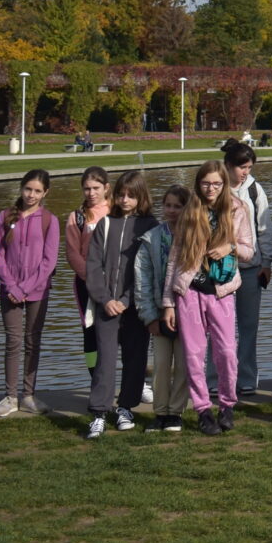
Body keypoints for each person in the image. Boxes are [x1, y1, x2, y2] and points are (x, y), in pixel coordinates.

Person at [165, 159, 256, 435]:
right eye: (206, 183)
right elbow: (174, 258)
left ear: (224, 184)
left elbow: (249, 251)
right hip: (189, 290)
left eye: (216, 183)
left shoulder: (238, 208)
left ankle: (227, 405)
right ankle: (203, 410)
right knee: (194, 354)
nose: (211, 188)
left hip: (221, 290)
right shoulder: (190, 211)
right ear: (198, 184)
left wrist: (228, 246)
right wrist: (167, 302)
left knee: (227, 351)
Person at [85, 171, 156, 439]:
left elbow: (146, 270)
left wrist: (126, 300)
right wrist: (105, 299)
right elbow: (93, 267)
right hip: (107, 307)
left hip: (136, 308)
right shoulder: (105, 224)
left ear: (141, 197)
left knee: (135, 359)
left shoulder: (149, 226)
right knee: (104, 360)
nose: (125, 200)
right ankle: (99, 413)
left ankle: (126, 407)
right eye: (121, 194)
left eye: (131, 195)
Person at [0, 168, 58, 416]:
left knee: (33, 341)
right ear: (21, 188)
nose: (31, 195)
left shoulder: (49, 220)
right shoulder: (5, 216)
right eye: (28, 189)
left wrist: (26, 287)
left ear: (45, 193)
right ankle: (10, 397)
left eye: (37, 191)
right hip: (9, 290)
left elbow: (49, 261)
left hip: (37, 291)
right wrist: (12, 286)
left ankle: (29, 395)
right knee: (13, 341)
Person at [135, 184, 192, 433]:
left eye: (177, 206)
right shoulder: (152, 238)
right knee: (160, 364)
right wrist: (149, 315)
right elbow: (142, 278)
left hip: (187, 312)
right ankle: (160, 411)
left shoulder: (194, 236)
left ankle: (176, 413)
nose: (171, 210)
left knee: (183, 364)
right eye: (167, 205)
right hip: (159, 312)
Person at [222, 140, 272, 395]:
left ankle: (246, 379)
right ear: (228, 165)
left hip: (250, 268)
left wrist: (267, 262)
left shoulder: (255, 190)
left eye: (250, 167)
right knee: (218, 328)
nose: (246, 172)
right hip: (220, 269)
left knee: (248, 327)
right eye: (242, 167)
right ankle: (217, 379)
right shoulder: (214, 187)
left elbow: (264, 229)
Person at [64, 168, 110, 378]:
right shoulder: (77, 217)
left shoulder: (116, 210)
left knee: (117, 333)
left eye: (96, 188)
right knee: (90, 332)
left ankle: (130, 381)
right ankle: (96, 379)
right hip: (87, 283)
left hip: (113, 282)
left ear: (106, 188)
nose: (91, 193)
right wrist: (91, 278)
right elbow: (73, 253)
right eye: (87, 189)